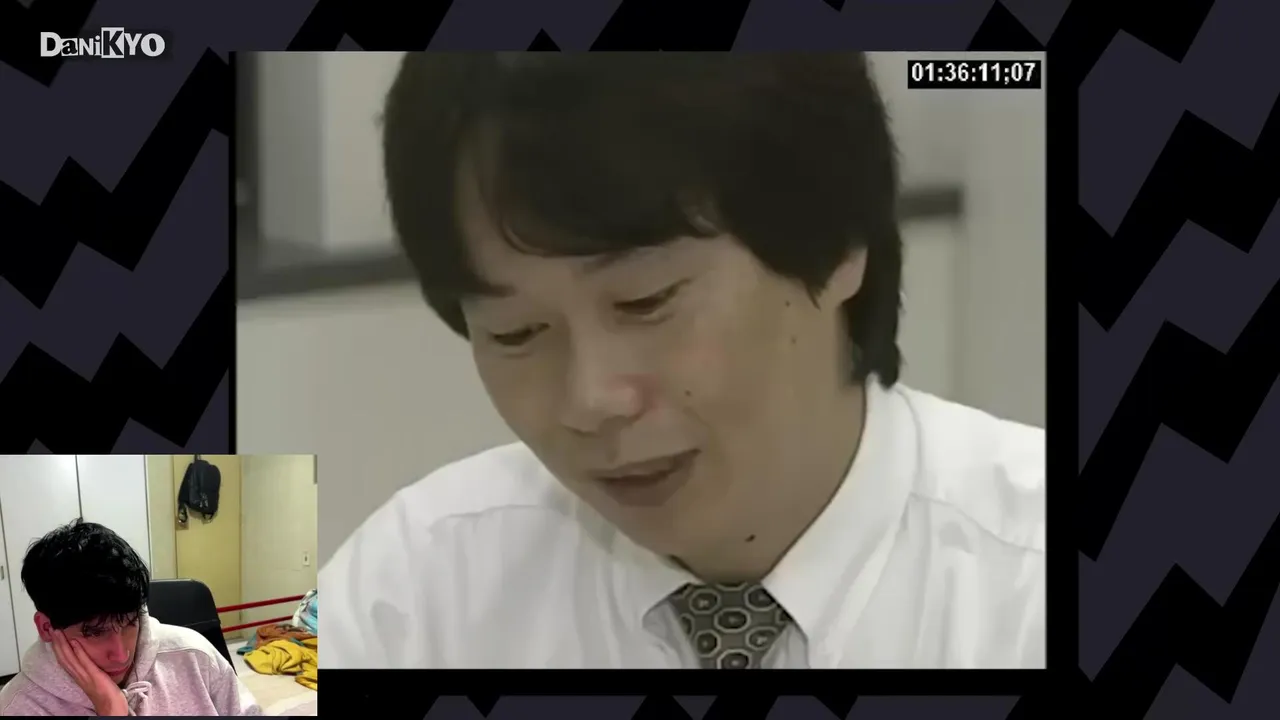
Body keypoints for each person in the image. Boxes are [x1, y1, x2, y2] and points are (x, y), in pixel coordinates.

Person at [322, 52, 1046, 669]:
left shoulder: (1029, 587)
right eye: (516, 333)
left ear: (836, 246)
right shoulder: (407, 589)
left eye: (646, 301)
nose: (590, 400)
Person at [0, 519, 262, 715]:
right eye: (94, 632)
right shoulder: (19, 707)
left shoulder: (193, 655)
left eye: (130, 623)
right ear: (47, 628)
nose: (121, 654)